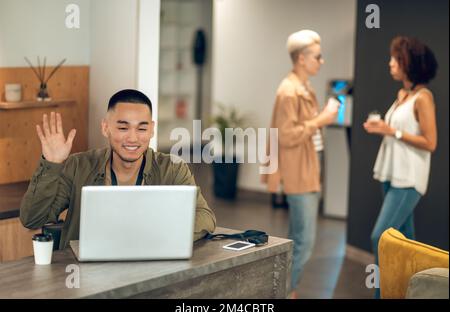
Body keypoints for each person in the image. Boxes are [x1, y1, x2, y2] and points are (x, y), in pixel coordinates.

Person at [20, 89, 216, 249]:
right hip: (82, 276)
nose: (132, 138)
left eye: (141, 128)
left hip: (147, 272)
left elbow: (205, 217)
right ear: (105, 128)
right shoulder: (77, 165)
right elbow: (32, 219)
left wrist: (154, 236)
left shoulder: (172, 169)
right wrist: (51, 164)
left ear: (152, 129)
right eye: (123, 128)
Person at [261, 30, 338, 298]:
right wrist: (322, 119)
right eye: (318, 56)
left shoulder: (304, 87)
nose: (322, 61)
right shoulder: (290, 92)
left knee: (297, 237)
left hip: (308, 168)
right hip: (299, 171)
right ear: (302, 59)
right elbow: (288, 135)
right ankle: (285, 291)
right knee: (305, 240)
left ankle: (286, 289)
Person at [363, 36, 438, 297]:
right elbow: (397, 131)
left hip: (408, 179)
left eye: (395, 59)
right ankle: (411, 292)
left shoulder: (423, 98)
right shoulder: (403, 95)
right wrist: (381, 129)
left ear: (408, 63)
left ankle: (383, 294)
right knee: (406, 243)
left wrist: (391, 130)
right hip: (392, 174)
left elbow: (430, 142)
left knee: (380, 238)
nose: (390, 63)